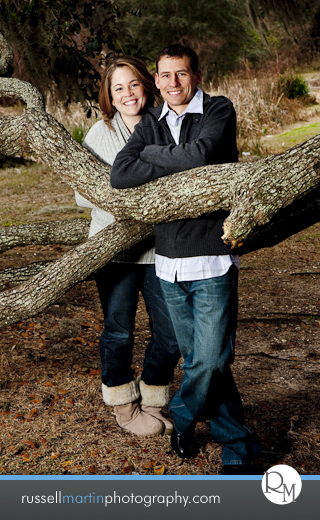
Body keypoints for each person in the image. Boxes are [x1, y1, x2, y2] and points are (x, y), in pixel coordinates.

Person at [110, 45, 260, 473]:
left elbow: (201, 155)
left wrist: (151, 157)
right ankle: (237, 447)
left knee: (211, 360)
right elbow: (120, 174)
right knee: (204, 364)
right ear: (156, 80)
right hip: (168, 262)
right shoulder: (152, 122)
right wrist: (169, 159)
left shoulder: (217, 109)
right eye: (164, 75)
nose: (172, 83)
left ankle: (181, 413)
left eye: (181, 74)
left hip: (212, 257)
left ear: (195, 74)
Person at [75, 56, 180, 438]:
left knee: (169, 331)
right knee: (118, 329)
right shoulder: (99, 135)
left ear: (146, 86)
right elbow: (83, 196)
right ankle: (123, 404)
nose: (128, 94)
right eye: (118, 88)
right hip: (114, 249)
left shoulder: (166, 126)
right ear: (109, 96)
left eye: (133, 84)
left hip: (159, 246)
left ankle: (153, 399)